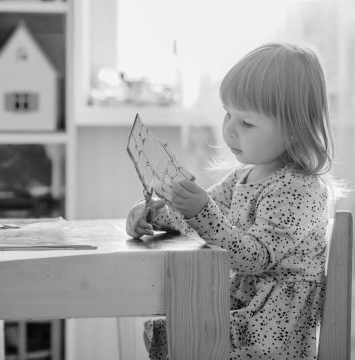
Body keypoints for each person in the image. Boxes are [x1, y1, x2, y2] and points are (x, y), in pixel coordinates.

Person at [126, 42, 341, 359]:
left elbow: (254, 257)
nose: (230, 130)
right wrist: (155, 214)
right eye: (228, 114)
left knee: (179, 334)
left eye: (247, 123)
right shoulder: (245, 175)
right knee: (167, 327)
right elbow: (204, 214)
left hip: (272, 332)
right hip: (246, 309)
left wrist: (201, 211)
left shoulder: (299, 189)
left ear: (295, 130)